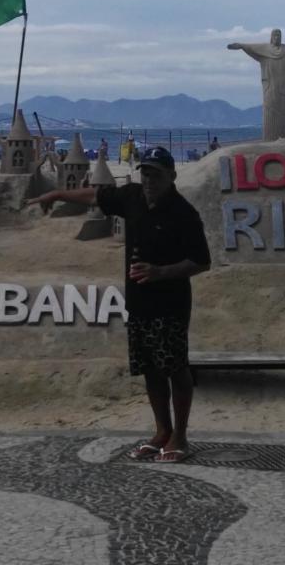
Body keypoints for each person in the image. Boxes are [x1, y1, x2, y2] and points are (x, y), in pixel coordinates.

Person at [26, 146, 210, 463]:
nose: (150, 179)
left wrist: (161, 272)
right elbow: (95, 197)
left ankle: (180, 436)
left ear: (172, 176)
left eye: (157, 174)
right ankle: (161, 431)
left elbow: (201, 261)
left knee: (175, 369)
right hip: (138, 303)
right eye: (146, 173)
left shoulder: (184, 213)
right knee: (151, 370)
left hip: (170, 306)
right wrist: (56, 194)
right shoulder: (133, 197)